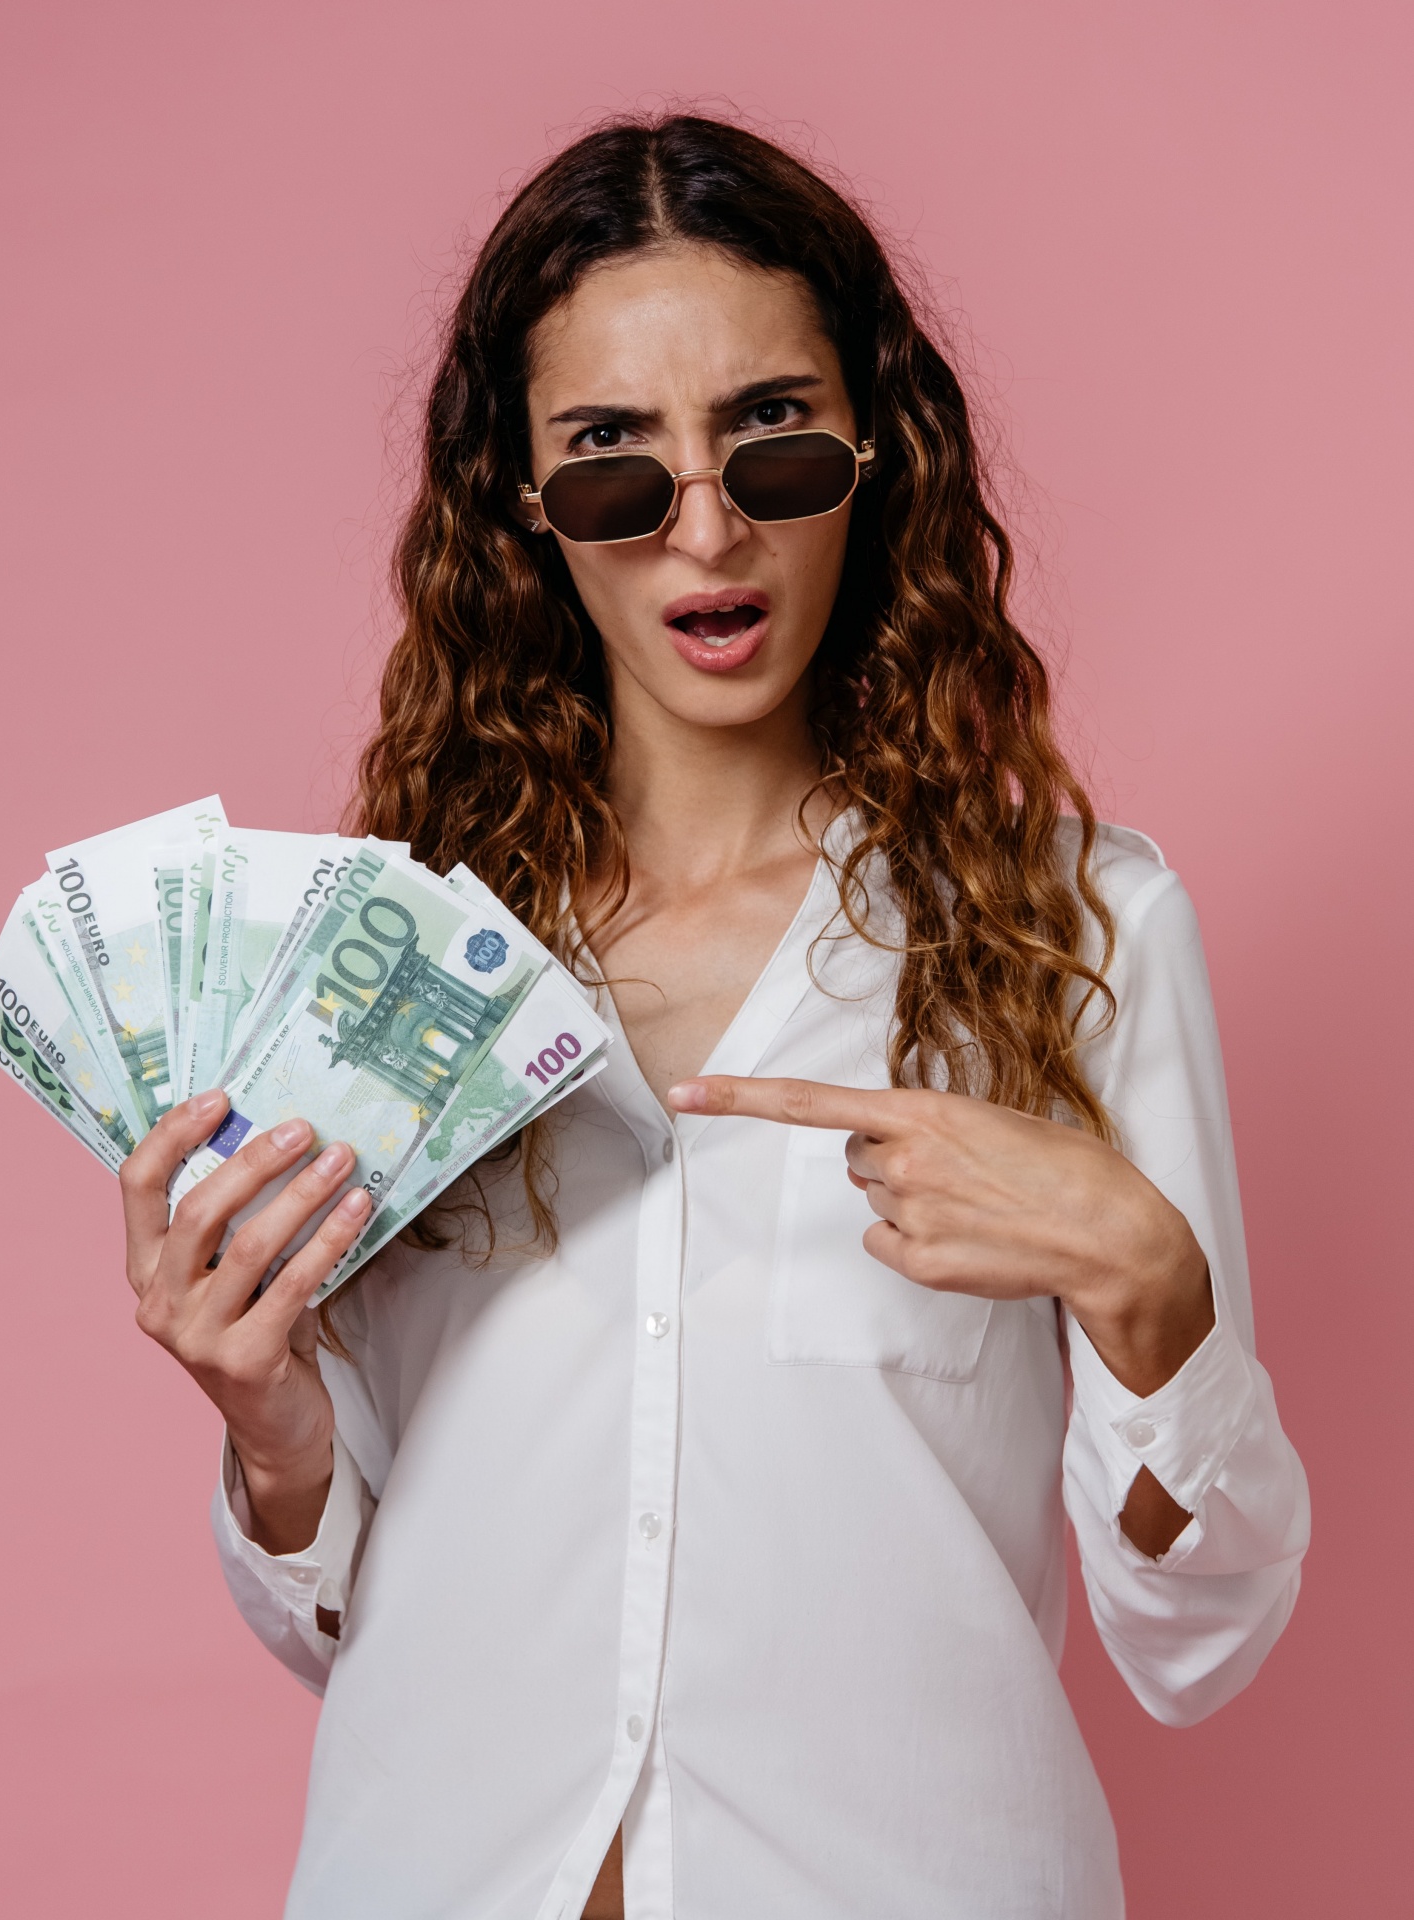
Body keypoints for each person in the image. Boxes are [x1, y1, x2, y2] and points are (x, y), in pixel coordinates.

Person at [120, 115, 1310, 1919]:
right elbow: (368, 1632)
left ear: (870, 454)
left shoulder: (1077, 930)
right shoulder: (401, 963)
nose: (703, 525)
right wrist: (267, 1433)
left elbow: (1196, 1643)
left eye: (771, 436)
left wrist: (1154, 1303)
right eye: (611, 459)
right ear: (522, 501)